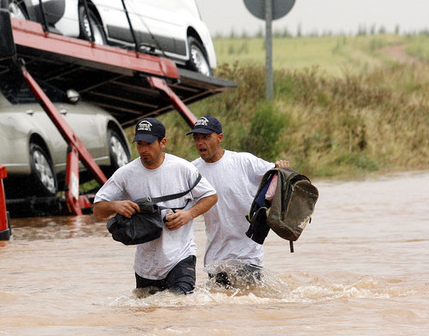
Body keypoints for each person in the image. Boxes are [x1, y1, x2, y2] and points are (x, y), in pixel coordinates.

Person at [93, 117, 218, 295]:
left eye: (149, 144)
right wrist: (114, 205)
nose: (143, 150)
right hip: (146, 265)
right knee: (147, 317)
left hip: (181, 258)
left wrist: (188, 215)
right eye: (139, 144)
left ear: (163, 143)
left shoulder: (183, 168)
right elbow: (97, 209)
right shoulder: (126, 174)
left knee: (180, 308)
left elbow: (211, 196)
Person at [188, 116, 290, 287]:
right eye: (196, 138)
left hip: (247, 256)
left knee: (247, 308)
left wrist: (281, 167)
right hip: (215, 259)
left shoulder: (244, 161)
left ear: (219, 137)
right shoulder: (192, 171)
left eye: (205, 137)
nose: (200, 143)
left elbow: (276, 174)